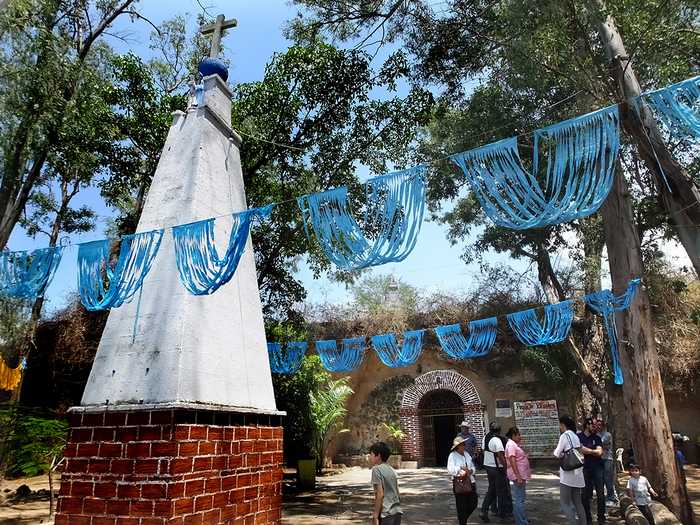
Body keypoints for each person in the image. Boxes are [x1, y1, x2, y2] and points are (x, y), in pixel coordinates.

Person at [554, 415, 586, 525]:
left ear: (563, 425)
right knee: (578, 503)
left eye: (560, 425)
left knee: (564, 503)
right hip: (578, 473)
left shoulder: (564, 436)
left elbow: (557, 453)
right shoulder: (576, 436)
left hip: (567, 474)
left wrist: (557, 452)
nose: (559, 427)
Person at [480, 421, 512, 522]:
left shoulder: (485, 437)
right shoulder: (496, 440)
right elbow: (500, 455)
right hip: (497, 468)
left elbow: (482, 450)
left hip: (488, 466)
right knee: (502, 491)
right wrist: (507, 467)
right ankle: (503, 514)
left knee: (492, 490)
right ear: (499, 430)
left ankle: (484, 510)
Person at [579, 417, 606, 525]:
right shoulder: (578, 437)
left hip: (598, 468)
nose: (595, 428)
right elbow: (579, 449)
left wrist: (587, 451)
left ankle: (601, 517)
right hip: (584, 468)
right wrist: (592, 451)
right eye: (593, 425)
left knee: (600, 493)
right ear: (587, 425)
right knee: (584, 494)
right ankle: (587, 518)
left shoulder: (597, 438)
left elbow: (599, 452)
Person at [369, 442, 402, 525]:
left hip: (386, 513)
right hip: (397, 511)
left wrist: (375, 515)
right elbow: (397, 491)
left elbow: (380, 494)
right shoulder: (391, 469)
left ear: (378, 456)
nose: (370, 457)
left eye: (371, 454)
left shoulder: (376, 469)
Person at [448, 436, 478, 525]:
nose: (464, 446)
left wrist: (471, 470)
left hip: (470, 481)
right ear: (458, 446)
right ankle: (462, 521)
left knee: (473, 503)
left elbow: (472, 466)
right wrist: (460, 469)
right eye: (462, 444)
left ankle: (463, 519)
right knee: (461, 506)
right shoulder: (452, 455)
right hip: (459, 483)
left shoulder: (466, 454)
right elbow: (450, 470)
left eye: (464, 444)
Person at [505, 427, 531, 525]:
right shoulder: (511, 445)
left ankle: (521, 519)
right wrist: (518, 476)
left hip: (521, 474)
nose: (520, 437)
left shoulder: (514, 444)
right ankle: (521, 522)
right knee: (519, 499)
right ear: (513, 435)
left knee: (520, 498)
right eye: (518, 435)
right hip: (518, 475)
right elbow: (512, 460)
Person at [594, 418, 618, 506]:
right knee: (600, 479)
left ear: (603, 426)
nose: (598, 426)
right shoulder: (595, 434)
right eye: (597, 425)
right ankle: (601, 497)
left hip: (607, 459)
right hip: (598, 458)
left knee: (608, 478)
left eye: (600, 425)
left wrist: (595, 445)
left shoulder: (607, 434)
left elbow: (600, 443)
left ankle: (611, 497)